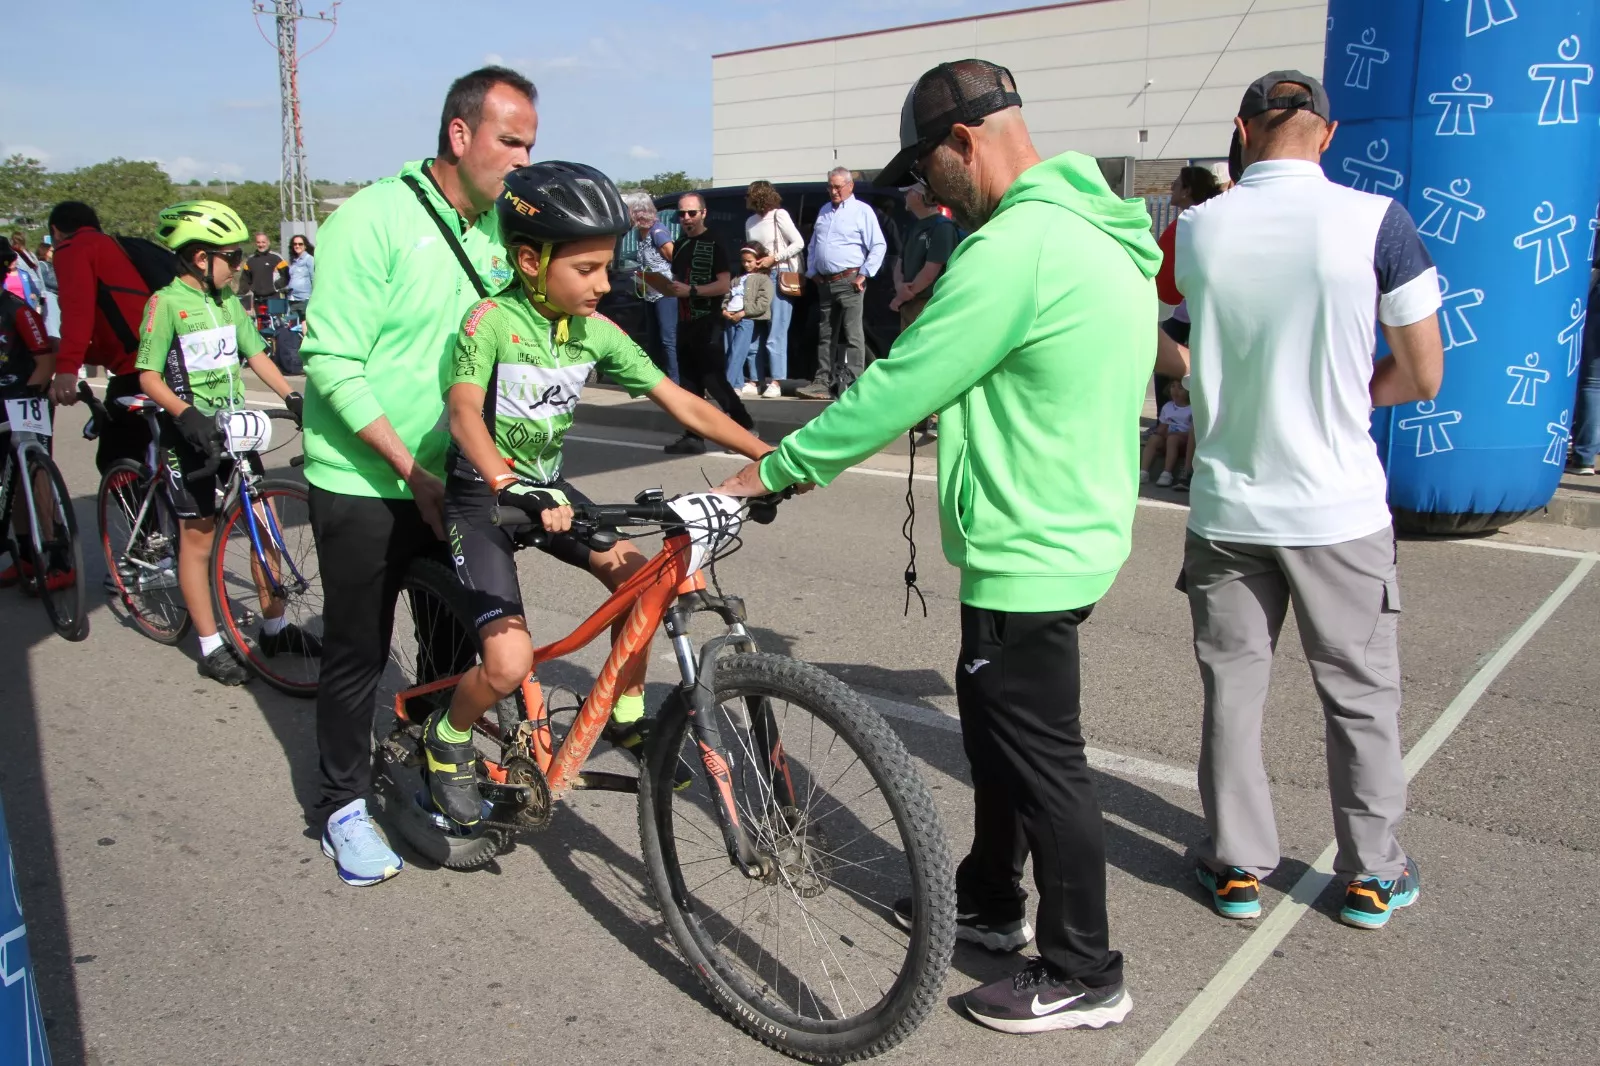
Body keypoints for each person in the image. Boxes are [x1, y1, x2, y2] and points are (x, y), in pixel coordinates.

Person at [719, 59, 1155, 1034]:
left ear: (963, 138)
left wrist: (770, 471)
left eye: (924, 163)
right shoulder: (1098, 227)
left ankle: (1085, 970)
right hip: (1070, 521)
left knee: (1042, 760)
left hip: (1029, 537)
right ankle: (992, 900)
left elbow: (896, 384)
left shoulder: (1015, 249)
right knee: (999, 734)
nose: (919, 186)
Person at [1157, 70, 1444, 931]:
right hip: (1339, 510)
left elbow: (1161, 329)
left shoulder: (1196, 229)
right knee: (1359, 694)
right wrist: (1350, 393)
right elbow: (1425, 370)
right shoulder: (1376, 221)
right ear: (1327, 134)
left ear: (1241, 133)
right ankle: (1370, 874)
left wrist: (1212, 380)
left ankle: (1236, 867)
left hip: (1229, 508)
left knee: (1234, 693)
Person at [424, 162, 771, 825]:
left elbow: (683, 404)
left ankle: (628, 717)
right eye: (586, 269)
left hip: (549, 489)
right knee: (507, 660)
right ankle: (448, 740)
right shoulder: (490, 321)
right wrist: (505, 482)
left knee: (639, 583)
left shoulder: (597, 331)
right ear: (530, 259)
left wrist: (768, 454)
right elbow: (466, 414)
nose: (604, 284)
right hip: (484, 497)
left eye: (606, 267)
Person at [299, 65, 534, 886]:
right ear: (459, 135)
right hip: (366, 479)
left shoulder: (507, 229)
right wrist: (408, 466)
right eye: (510, 140)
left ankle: (438, 772)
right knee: (357, 650)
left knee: (454, 643)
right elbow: (328, 356)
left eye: (531, 144)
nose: (522, 158)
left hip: (455, 484)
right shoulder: (373, 218)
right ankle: (340, 805)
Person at [133, 201, 311, 685]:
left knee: (264, 523)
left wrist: (292, 398)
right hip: (189, 431)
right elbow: (147, 374)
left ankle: (274, 628)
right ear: (198, 258)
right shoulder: (166, 303)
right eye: (230, 258)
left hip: (234, 426)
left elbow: (256, 355)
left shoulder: (228, 302)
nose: (238, 266)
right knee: (200, 537)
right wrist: (185, 414)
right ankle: (211, 645)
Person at [47, 200, 154, 474]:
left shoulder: (73, 249)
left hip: (138, 368)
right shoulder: (116, 247)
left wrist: (66, 370)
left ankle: (147, 517)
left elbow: (77, 312)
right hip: (171, 358)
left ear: (57, 232)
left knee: (115, 459)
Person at [662, 192, 756, 454]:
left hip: (708, 320)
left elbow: (723, 284)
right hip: (684, 320)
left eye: (692, 213)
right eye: (682, 214)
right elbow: (679, 281)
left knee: (713, 379)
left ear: (703, 213)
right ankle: (694, 435)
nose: (687, 218)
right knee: (689, 383)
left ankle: (745, 427)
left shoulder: (715, 242)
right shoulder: (680, 244)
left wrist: (691, 290)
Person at [0, 242, 65, 591]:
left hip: (24, 398)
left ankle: (57, 557)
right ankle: (25, 555)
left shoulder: (19, 311)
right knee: (8, 485)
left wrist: (29, 397)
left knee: (34, 477)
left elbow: (45, 360)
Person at [797, 168, 885, 399]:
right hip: (825, 282)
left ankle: (855, 383)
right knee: (826, 334)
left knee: (852, 333)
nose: (833, 191)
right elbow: (814, 245)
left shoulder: (861, 211)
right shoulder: (825, 211)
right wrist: (813, 270)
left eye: (838, 187)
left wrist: (864, 274)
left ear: (850, 186)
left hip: (850, 280)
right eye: (830, 187)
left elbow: (878, 245)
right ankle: (822, 381)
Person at [891, 180, 960, 442]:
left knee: (928, 357)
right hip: (910, 302)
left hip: (927, 303)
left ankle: (935, 415)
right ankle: (917, 414)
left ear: (920, 196)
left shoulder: (941, 227)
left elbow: (933, 268)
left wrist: (906, 292)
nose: (905, 197)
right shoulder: (914, 227)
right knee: (909, 357)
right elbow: (899, 264)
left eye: (908, 192)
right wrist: (901, 289)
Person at [743, 181, 804, 396]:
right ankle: (753, 378)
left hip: (778, 274)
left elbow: (798, 243)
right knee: (754, 330)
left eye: (750, 195)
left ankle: (776, 381)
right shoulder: (750, 221)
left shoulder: (779, 215)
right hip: (757, 277)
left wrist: (774, 258)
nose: (747, 199)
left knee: (776, 331)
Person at [626, 193, 678, 383]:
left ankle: (675, 380)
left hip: (664, 289)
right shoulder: (640, 233)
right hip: (649, 289)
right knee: (653, 337)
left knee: (667, 338)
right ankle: (656, 381)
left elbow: (675, 259)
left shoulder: (658, 233)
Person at [728, 242, 772, 396]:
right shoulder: (737, 278)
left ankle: (728, 384)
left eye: (750, 261)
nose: (746, 264)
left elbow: (763, 303)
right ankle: (737, 385)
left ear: (758, 260)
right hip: (730, 317)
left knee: (738, 351)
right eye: (743, 261)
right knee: (729, 351)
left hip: (745, 319)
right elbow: (728, 294)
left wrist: (744, 313)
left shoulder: (763, 279)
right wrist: (723, 309)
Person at [1138, 381, 1191, 487]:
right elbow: (1162, 426)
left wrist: (1175, 434)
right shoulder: (1168, 406)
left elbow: (1192, 434)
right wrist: (1160, 433)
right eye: (1172, 386)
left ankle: (1167, 473)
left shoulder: (1191, 409)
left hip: (1183, 442)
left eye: (1180, 388)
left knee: (1173, 439)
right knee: (1154, 439)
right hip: (1168, 439)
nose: (1175, 390)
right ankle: (1143, 472)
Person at [286, 234, 315, 318]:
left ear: (305, 246)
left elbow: (313, 278)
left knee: (303, 323)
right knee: (293, 324)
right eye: (295, 244)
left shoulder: (309, 259)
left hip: (304, 298)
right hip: (292, 298)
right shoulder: (294, 261)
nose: (297, 246)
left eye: (300, 244)